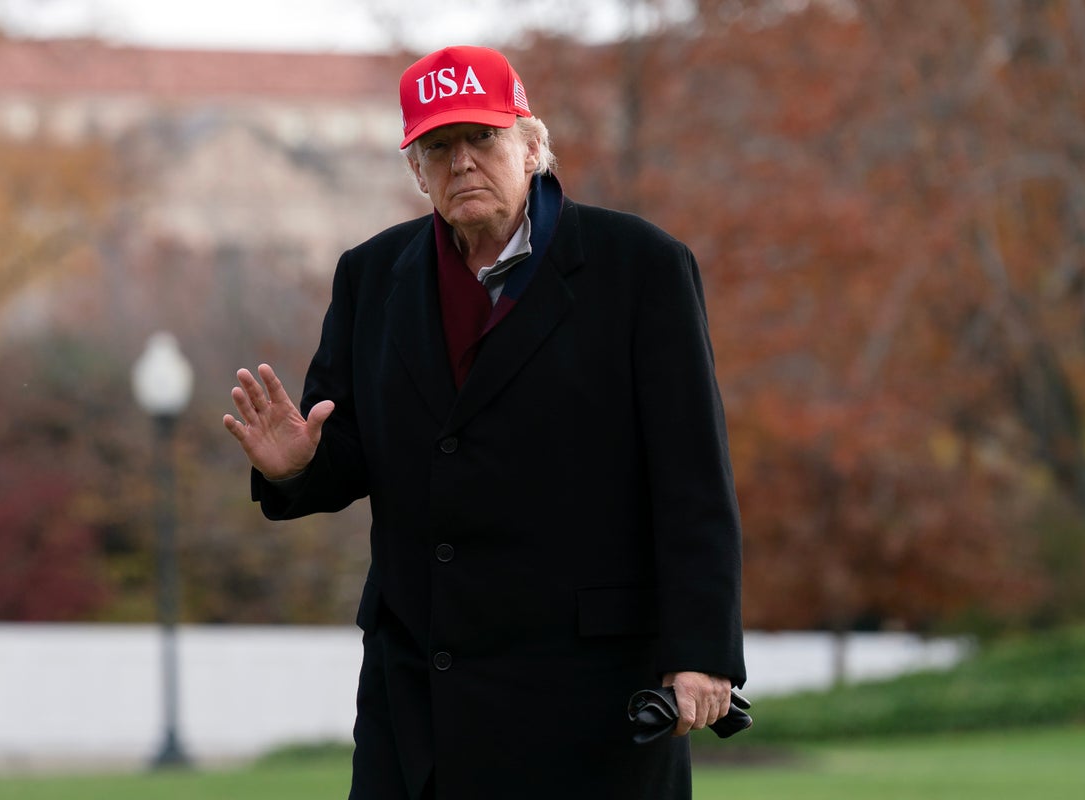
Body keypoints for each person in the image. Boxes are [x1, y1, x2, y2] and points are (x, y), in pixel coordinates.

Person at [224, 45, 746, 800]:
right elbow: (355, 453)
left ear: (532, 147)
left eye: (482, 138)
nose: (461, 161)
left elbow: (692, 476)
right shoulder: (370, 275)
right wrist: (298, 468)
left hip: (589, 694)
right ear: (417, 171)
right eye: (438, 146)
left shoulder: (641, 266)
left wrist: (700, 649)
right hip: (419, 696)